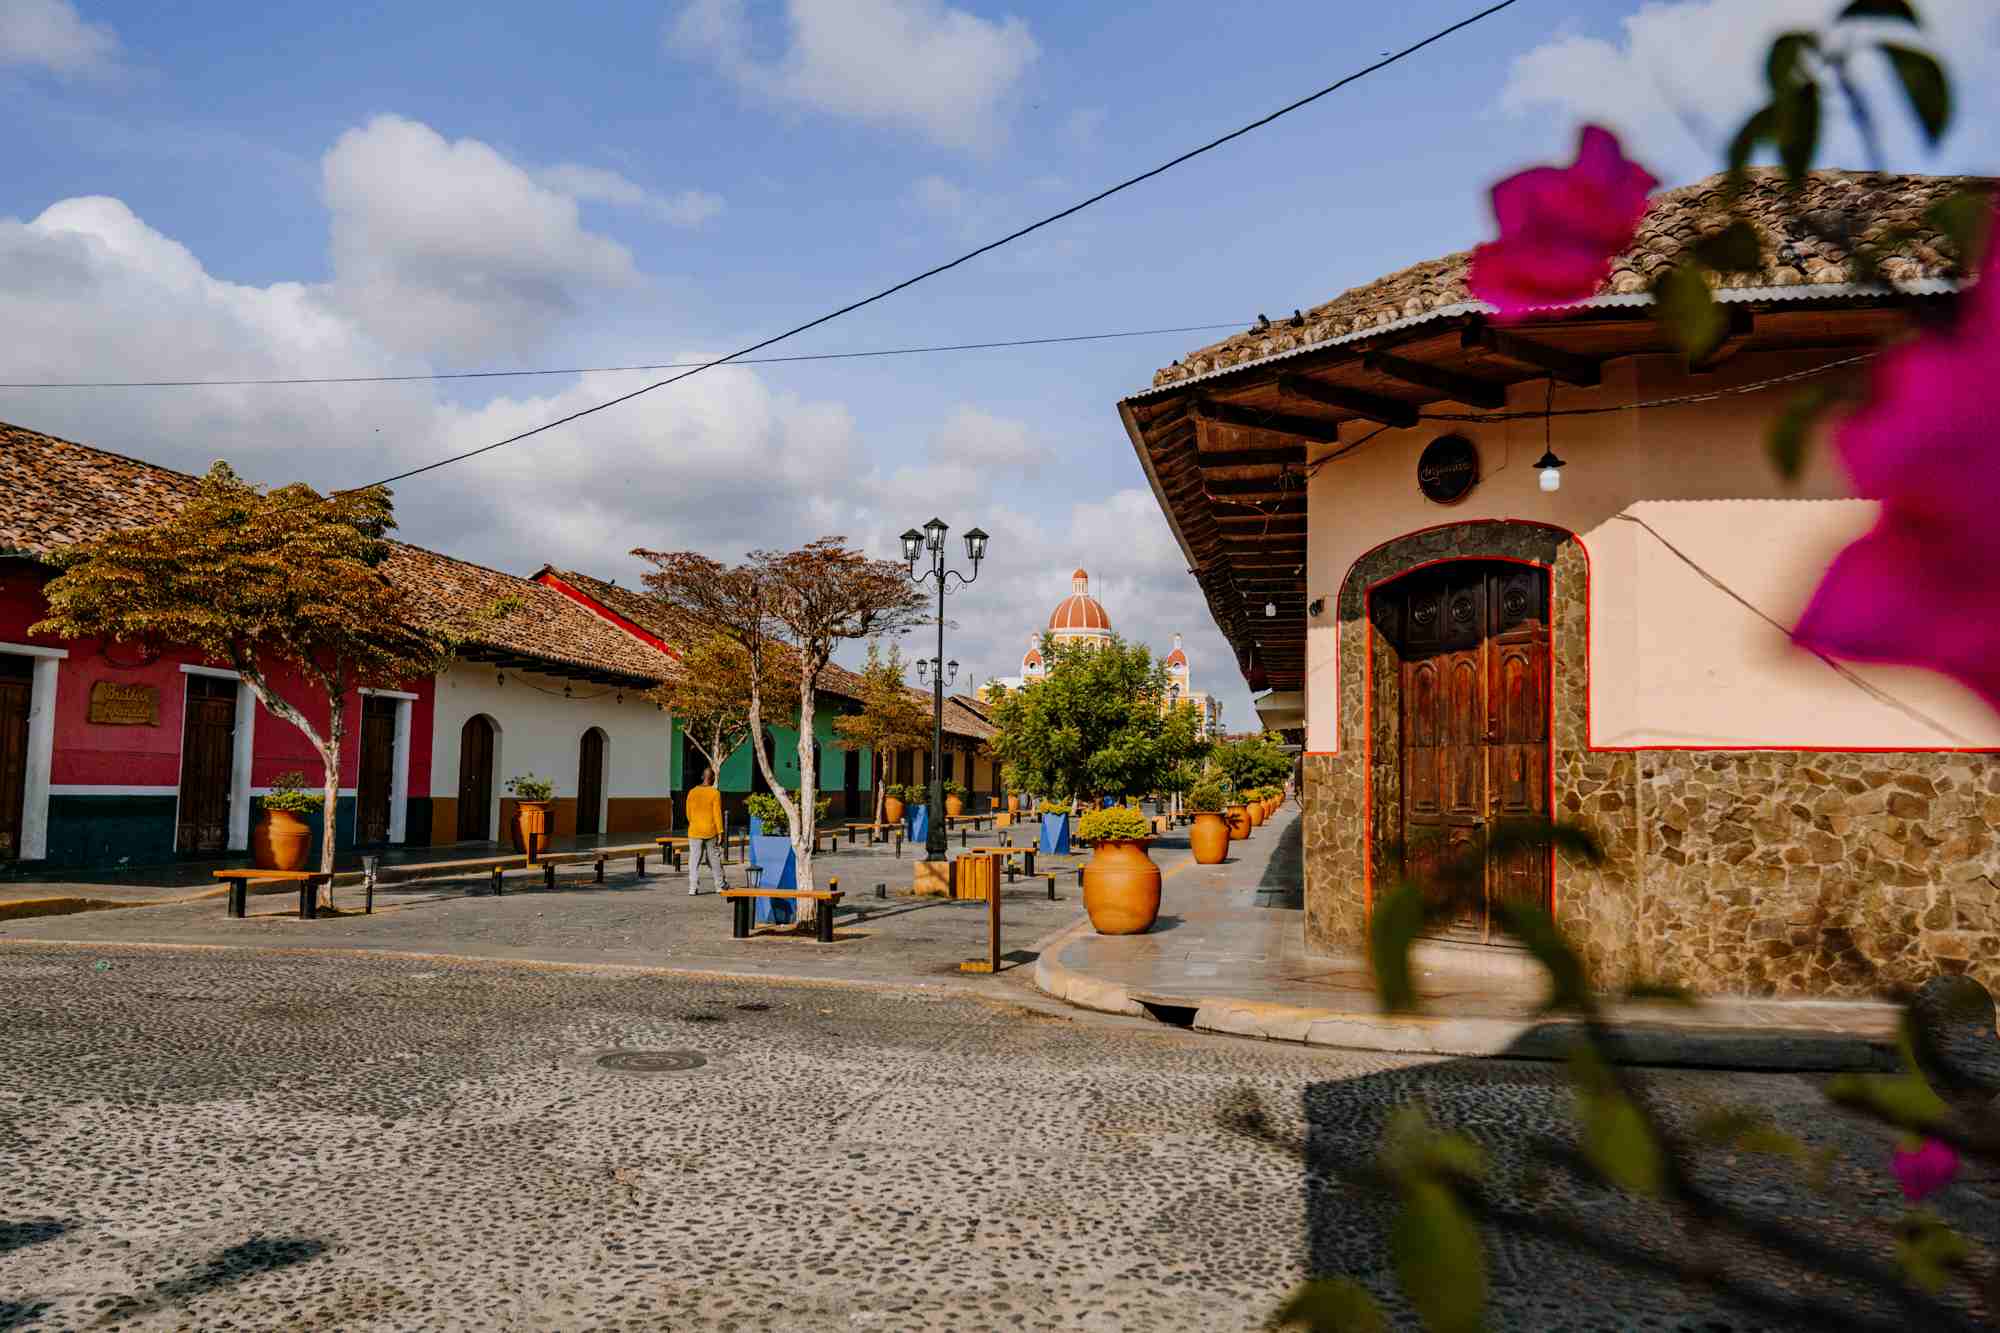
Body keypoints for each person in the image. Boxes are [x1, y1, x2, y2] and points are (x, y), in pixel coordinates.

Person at [685, 766, 726, 895]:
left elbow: (688, 813)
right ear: (713, 778)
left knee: (694, 860)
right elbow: (717, 814)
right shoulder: (715, 793)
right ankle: (719, 885)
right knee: (714, 859)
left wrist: (694, 822)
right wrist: (720, 832)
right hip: (710, 831)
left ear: (702, 777)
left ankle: (693, 887)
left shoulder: (692, 792)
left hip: (695, 831)